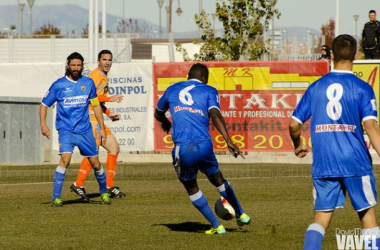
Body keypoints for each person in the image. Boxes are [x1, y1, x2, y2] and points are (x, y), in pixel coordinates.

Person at [289, 34, 380, 250]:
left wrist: (297, 144)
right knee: (367, 217)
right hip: (355, 162)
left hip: (325, 161)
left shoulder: (316, 87)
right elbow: (371, 127)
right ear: (356, 55)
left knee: (321, 219)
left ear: (331, 55)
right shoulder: (363, 88)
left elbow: (293, 124)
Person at [154, 63, 251, 235]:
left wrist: (165, 121)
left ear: (187, 77)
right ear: (204, 78)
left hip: (183, 148)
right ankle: (241, 214)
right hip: (205, 145)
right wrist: (228, 140)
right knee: (217, 179)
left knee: (190, 186)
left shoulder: (172, 89)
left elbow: (158, 113)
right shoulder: (209, 90)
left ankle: (217, 226)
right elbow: (215, 114)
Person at [40, 52, 111, 206]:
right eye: (73, 65)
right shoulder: (58, 85)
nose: (76, 68)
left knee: (96, 163)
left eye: (79, 65)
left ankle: (104, 192)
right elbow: (44, 105)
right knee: (65, 159)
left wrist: (102, 128)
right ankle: (56, 197)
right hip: (66, 130)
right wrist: (43, 125)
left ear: (82, 66)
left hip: (85, 130)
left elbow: (96, 105)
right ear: (68, 66)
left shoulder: (88, 83)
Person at [70, 50, 126, 201]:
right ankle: (78, 183)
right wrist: (110, 98)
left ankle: (109, 185)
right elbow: (90, 96)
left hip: (98, 118)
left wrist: (108, 113)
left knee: (113, 148)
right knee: (92, 152)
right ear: (98, 61)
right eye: (104, 60)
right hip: (90, 119)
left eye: (109, 60)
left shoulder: (103, 76)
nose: (107, 62)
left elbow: (98, 102)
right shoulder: (95, 76)